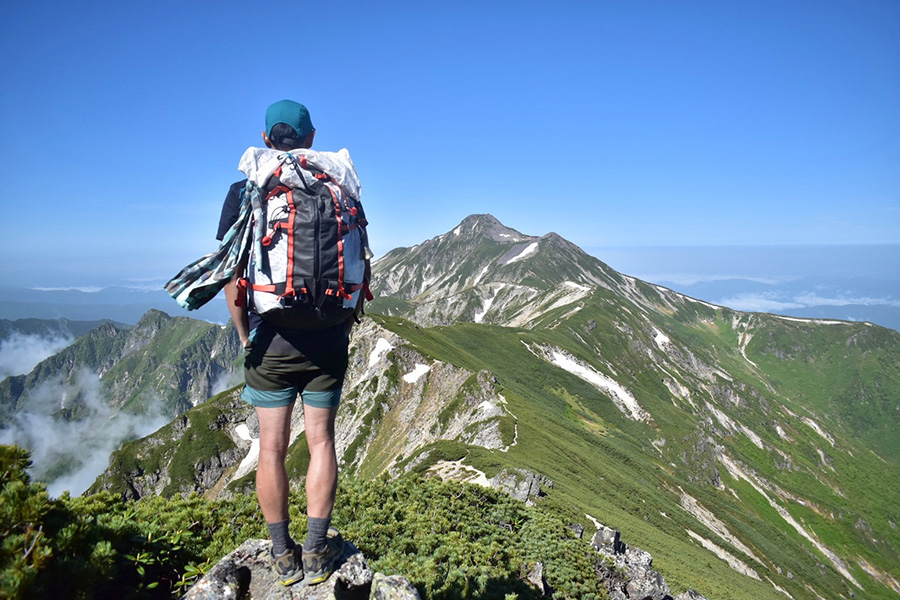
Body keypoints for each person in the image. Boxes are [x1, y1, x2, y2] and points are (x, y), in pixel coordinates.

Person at [217, 99, 370, 587]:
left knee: (271, 449)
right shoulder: (340, 188)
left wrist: (246, 337)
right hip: (327, 339)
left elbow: (234, 281)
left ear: (267, 139)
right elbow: (358, 265)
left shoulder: (247, 190)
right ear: (310, 138)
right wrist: (339, 326)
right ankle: (317, 549)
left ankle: (282, 555)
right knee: (322, 440)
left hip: (272, 342)